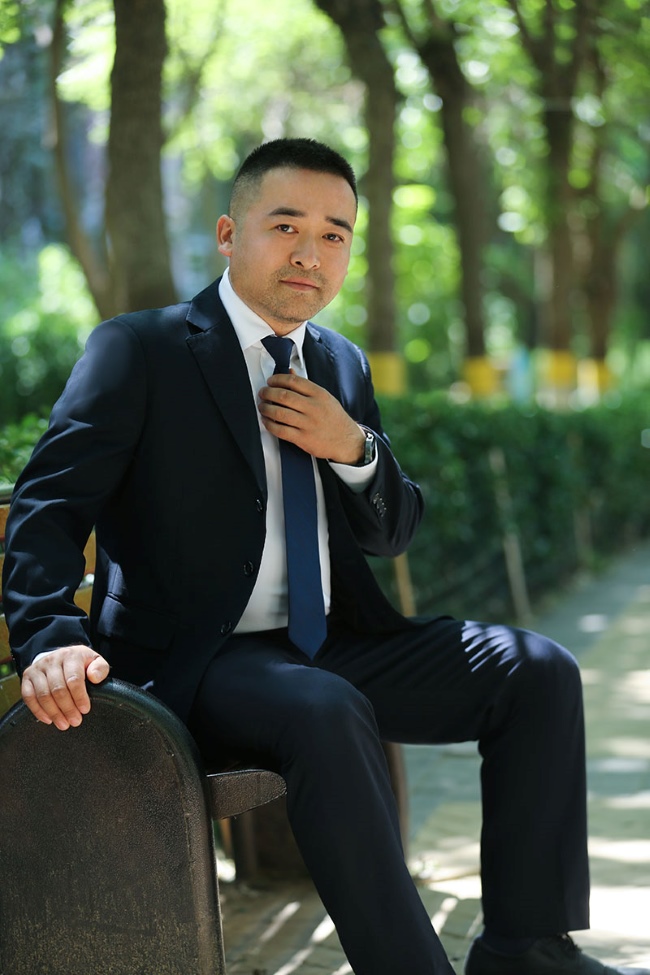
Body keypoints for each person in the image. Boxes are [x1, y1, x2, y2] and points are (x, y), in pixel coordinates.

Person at [2, 138, 645, 975]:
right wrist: (49, 636)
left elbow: (392, 531)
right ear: (229, 233)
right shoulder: (143, 349)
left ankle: (526, 948)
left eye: (335, 233)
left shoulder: (340, 361)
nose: (311, 252)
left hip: (335, 644)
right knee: (324, 705)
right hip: (197, 661)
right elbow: (47, 507)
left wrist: (355, 448)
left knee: (538, 669)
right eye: (286, 226)